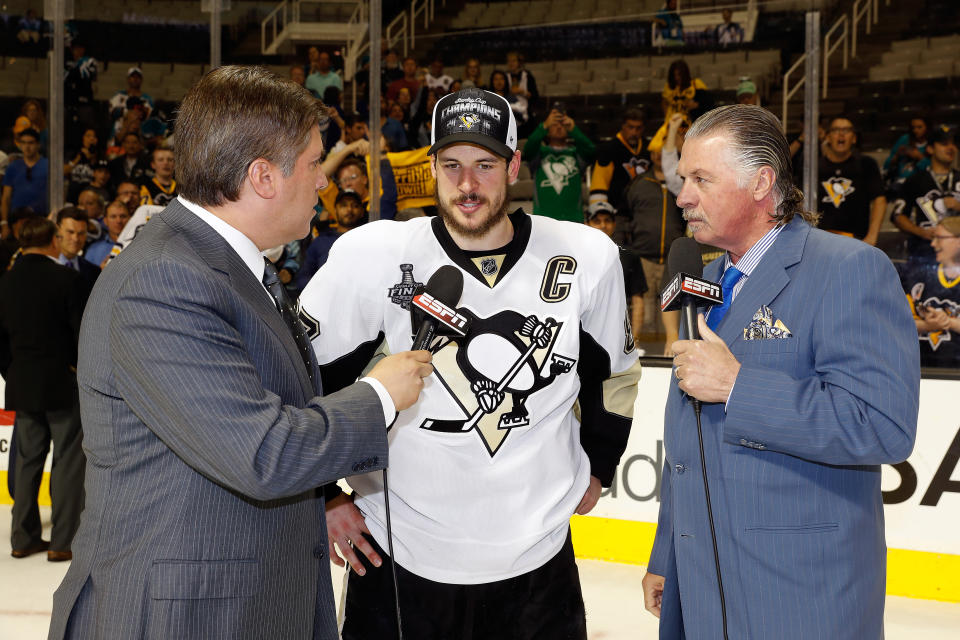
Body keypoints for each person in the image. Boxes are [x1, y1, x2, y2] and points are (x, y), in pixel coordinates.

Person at [48, 65, 432, 640]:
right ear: (263, 177)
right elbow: (263, 452)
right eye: (312, 164)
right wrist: (379, 394)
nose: (323, 182)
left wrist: (321, 500)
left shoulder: (228, 266)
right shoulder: (163, 281)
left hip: (244, 603)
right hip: (186, 617)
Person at [302, 87, 641, 639]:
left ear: (513, 166)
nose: (467, 184)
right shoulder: (372, 257)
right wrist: (321, 495)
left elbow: (614, 375)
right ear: (431, 166)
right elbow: (299, 378)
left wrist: (600, 464)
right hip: (401, 556)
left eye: (485, 164)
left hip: (538, 561)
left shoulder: (586, 257)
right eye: (452, 164)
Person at [642, 105, 920, 639]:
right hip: (702, 590)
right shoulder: (703, 278)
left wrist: (737, 385)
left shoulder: (849, 268)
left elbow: (883, 425)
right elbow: (688, 441)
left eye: (701, 179)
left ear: (761, 182)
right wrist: (668, 552)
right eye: (683, 180)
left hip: (801, 599)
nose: (682, 197)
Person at [0, 218, 88, 563]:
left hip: (22, 381)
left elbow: (0, 341)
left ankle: (23, 538)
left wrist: (11, 370)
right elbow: (82, 333)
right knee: (67, 461)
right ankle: (62, 542)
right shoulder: (67, 279)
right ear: (53, 240)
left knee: (26, 461)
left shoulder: (5, 282)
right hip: (61, 382)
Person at [892, 124, 959, 263]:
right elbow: (898, 215)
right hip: (924, 253)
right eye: (944, 143)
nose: (950, 148)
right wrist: (920, 232)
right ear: (930, 149)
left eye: (954, 144)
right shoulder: (914, 180)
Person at [899, 216, 960, 368]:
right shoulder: (916, 275)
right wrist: (927, 325)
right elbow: (897, 324)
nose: (933, 244)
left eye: (939, 238)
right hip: (918, 370)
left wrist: (949, 322)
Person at [817, 116, 886, 245]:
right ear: (827, 137)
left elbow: (879, 200)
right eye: (836, 130)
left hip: (856, 241)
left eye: (846, 130)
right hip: (820, 241)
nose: (841, 134)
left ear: (854, 138)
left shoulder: (866, 164)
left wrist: (872, 236)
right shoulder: (814, 167)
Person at [585, 200, 647, 343]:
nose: (603, 225)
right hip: (583, 333)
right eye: (596, 221)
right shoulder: (576, 255)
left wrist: (634, 338)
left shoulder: (629, 257)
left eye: (607, 220)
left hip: (617, 335)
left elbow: (638, 301)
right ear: (586, 224)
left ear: (614, 224)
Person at [523, 106, 595, 222]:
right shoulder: (539, 153)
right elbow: (528, 150)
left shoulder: (576, 154)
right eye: (554, 123)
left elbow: (591, 151)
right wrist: (543, 127)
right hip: (543, 219)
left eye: (562, 124)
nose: (559, 127)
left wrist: (574, 129)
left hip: (574, 219)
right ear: (547, 129)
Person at [296, 189, 367, 290]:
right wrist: (322, 289)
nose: (349, 210)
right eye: (344, 205)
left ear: (362, 212)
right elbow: (303, 277)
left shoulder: (369, 240)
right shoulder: (320, 241)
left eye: (355, 206)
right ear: (335, 209)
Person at [589, 107, 650, 216]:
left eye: (638, 128)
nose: (634, 132)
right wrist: (599, 212)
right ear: (623, 126)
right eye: (630, 127)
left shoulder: (649, 149)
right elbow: (599, 183)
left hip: (643, 211)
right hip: (616, 212)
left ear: (643, 128)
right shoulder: (608, 149)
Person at [1, 129, 48, 237]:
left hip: (41, 220)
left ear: (38, 145)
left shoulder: (48, 166)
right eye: (23, 143)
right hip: (17, 222)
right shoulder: (13, 167)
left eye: (31, 143)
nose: (27, 147)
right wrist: (4, 223)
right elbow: (6, 198)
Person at [56, 206, 101, 292]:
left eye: (81, 233)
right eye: (70, 232)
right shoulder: (41, 269)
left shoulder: (94, 272)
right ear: (57, 230)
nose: (76, 238)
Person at [883, 115, 929, 197]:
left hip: (922, 184)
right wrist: (897, 155)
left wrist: (919, 157)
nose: (915, 130)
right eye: (913, 128)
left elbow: (933, 169)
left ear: (927, 127)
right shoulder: (904, 139)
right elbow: (886, 166)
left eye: (919, 127)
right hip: (901, 183)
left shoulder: (932, 144)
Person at [83, 200, 130, 267]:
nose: (118, 221)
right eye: (113, 217)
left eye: (123, 216)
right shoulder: (93, 250)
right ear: (105, 221)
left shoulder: (140, 246)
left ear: (130, 219)